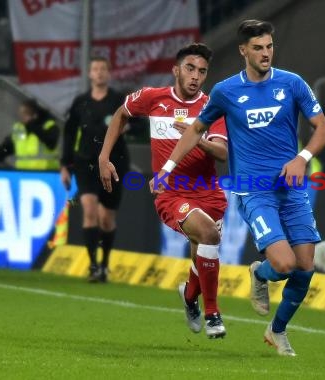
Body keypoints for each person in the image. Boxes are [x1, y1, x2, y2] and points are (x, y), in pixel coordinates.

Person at [157, 20, 325, 356]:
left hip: (292, 188)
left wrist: (302, 157)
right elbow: (196, 129)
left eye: (269, 47)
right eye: (257, 48)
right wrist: (167, 168)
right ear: (243, 51)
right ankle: (261, 273)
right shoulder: (225, 91)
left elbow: (322, 129)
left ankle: (277, 331)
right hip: (254, 190)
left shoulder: (292, 83)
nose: (265, 53)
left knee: (305, 268)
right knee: (284, 265)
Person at [98, 43, 229, 339]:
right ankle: (213, 313)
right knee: (208, 235)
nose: (196, 76)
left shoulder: (213, 107)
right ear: (176, 70)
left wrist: (197, 138)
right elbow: (121, 114)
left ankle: (188, 298)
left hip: (209, 194)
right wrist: (104, 157)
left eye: (202, 71)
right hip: (173, 193)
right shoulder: (153, 98)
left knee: (202, 256)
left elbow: (221, 153)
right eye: (190, 69)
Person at [60, 56, 129, 283]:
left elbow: (137, 121)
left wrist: (126, 126)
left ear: (108, 74)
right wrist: (65, 165)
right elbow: (69, 133)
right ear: (89, 74)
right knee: (89, 210)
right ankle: (92, 266)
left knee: (106, 218)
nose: (99, 73)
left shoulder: (119, 100)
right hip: (86, 163)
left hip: (114, 163)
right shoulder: (80, 102)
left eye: (103, 69)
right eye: (95, 69)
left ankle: (105, 263)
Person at [0, 99, 59, 170]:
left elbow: (51, 143)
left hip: (47, 173)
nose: (22, 118)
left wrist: (32, 124)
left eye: (25, 114)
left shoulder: (48, 126)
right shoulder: (21, 130)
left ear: (34, 115)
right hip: (23, 174)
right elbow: (6, 149)